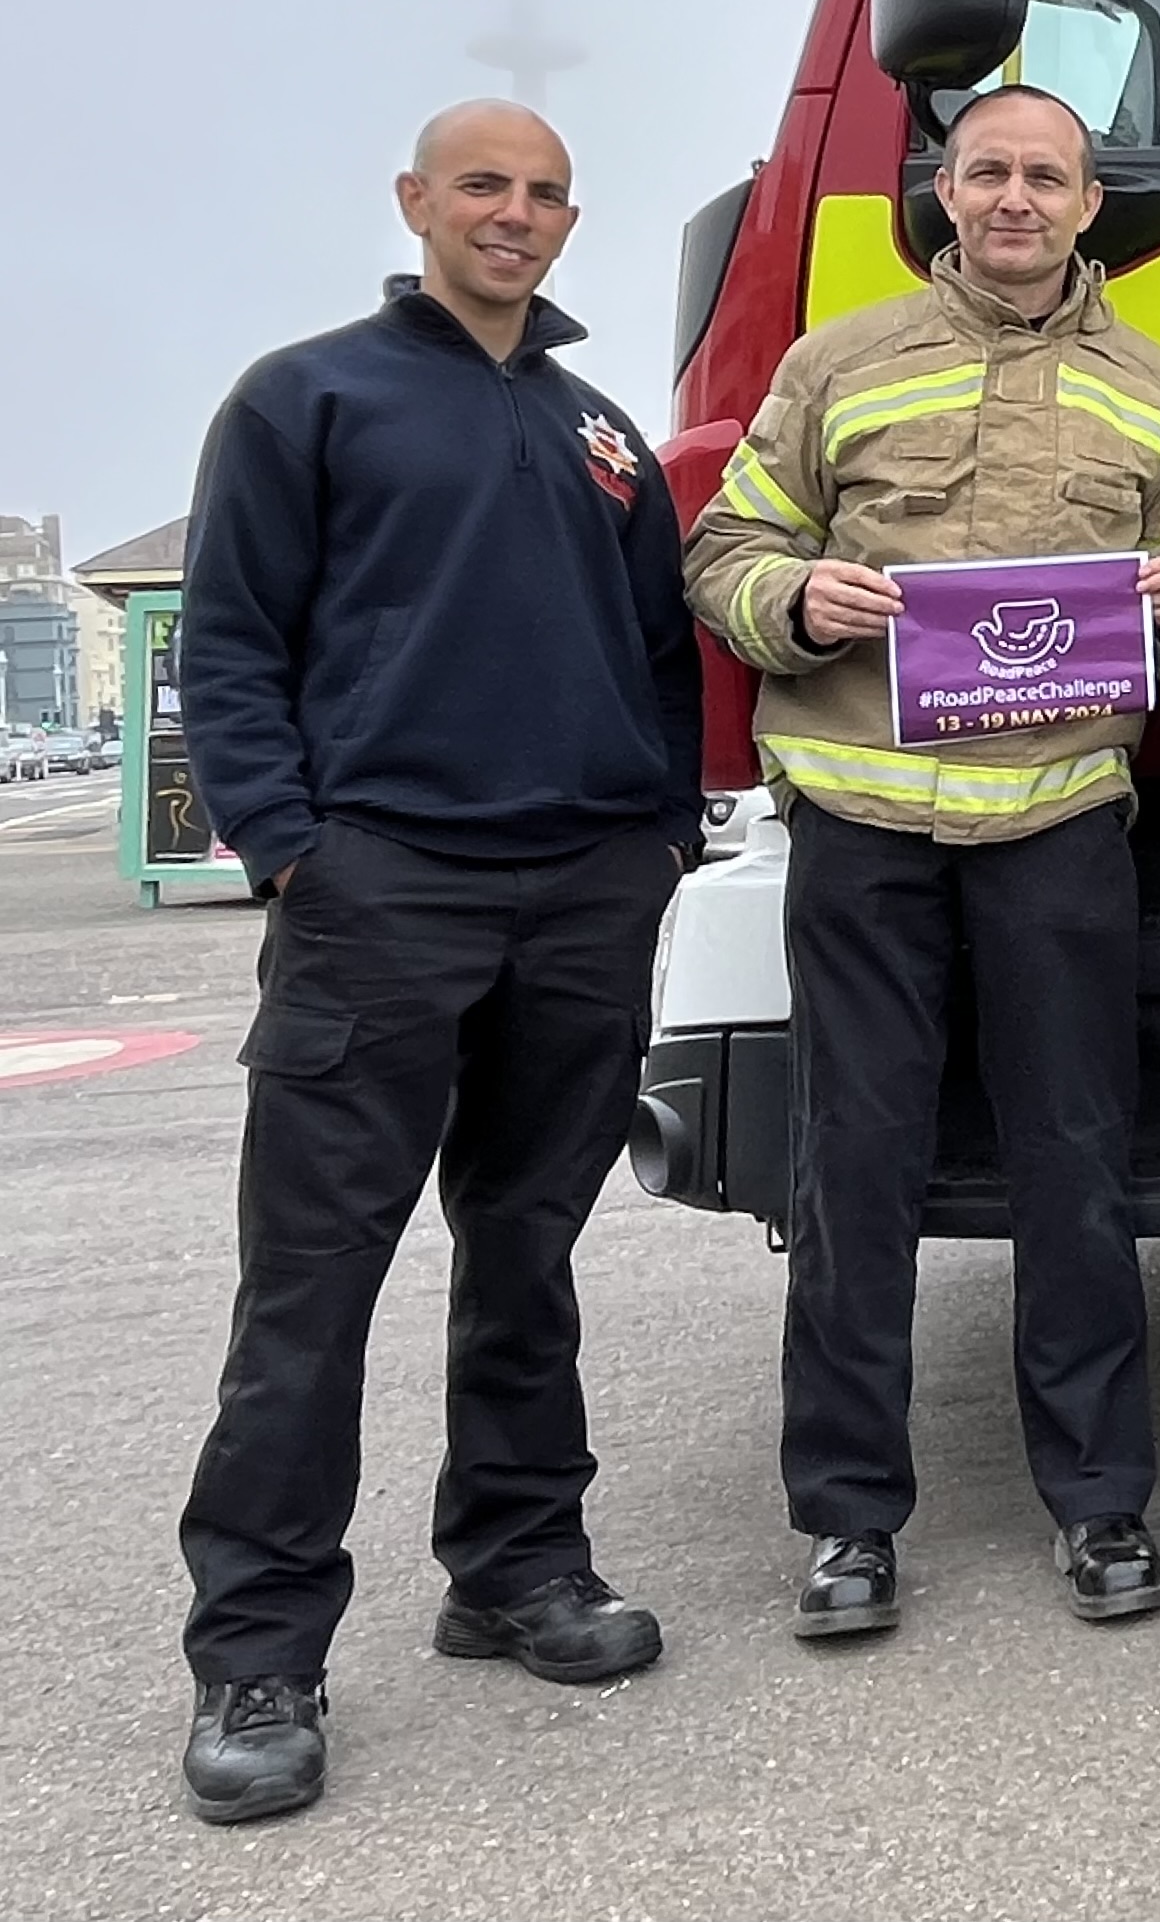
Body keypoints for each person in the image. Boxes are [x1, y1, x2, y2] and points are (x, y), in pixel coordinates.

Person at [173, 102, 702, 1824]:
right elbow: (231, 642)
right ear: (415, 199)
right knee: (312, 1282)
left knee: (527, 1248)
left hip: (584, 892)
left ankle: (517, 1561)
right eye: (485, 184)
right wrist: (289, 845)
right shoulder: (305, 398)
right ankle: (259, 1649)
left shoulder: (603, 433)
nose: (516, 213)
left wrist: (657, 836)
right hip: (382, 893)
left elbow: (660, 653)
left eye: (546, 193)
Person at [684, 85, 1160, 1642]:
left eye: (1045, 176)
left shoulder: (1156, 388)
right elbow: (725, 550)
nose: (1014, 199)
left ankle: (1101, 1500)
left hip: (1059, 830)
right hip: (866, 832)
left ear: (1089, 202)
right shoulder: (839, 362)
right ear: (944, 189)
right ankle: (847, 1519)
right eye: (988, 171)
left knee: (1078, 1162)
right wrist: (798, 601)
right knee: (851, 1170)